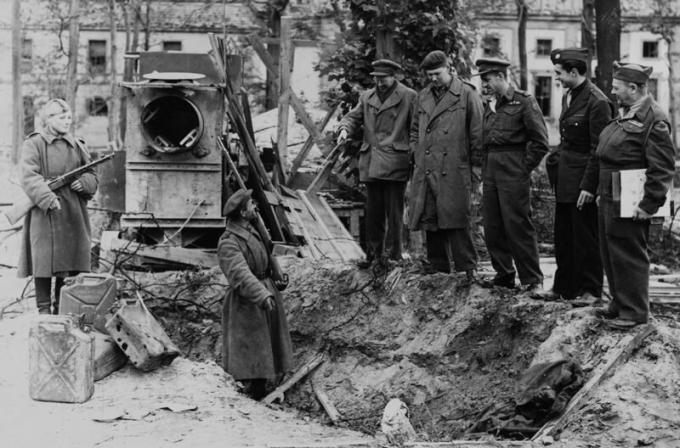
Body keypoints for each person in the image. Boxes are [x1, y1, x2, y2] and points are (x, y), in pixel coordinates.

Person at [593, 62, 675, 330]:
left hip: (631, 197)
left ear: (634, 87)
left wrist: (649, 204)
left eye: (617, 88)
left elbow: (662, 167)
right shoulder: (627, 112)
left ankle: (635, 311)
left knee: (629, 253)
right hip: (610, 193)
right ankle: (619, 304)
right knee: (610, 251)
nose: (613, 92)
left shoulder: (654, 118)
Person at [535, 48, 615, 304]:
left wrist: (589, 187)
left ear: (573, 71)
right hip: (566, 179)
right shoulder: (569, 95)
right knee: (564, 234)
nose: (556, 78)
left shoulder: (597, 102)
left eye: (559, 73)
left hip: (583, 181)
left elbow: (598, 149)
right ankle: (564, 287)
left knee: (585, 237)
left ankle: (590, 290)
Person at [475, 57, 549, 293]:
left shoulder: (523, 101)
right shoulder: (489, 105)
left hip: (513, 169)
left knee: (517, 224)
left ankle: (532, 279)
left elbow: (540, 142)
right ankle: (504, 274)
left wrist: (522, 168)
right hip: (491, 171)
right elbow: (485, 144)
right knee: (493, 225)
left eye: (487, 80)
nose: (484, 85)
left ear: (500, 77)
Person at [17, 99, 98, 314]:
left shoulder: (77, 144)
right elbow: (28, 176)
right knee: (42, 262)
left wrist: (86, 183)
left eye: (69, 117)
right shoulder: (34, 143)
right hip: (44, 209)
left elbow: (91, 172)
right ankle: (44, 310)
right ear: (48, 119)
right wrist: (46, 196)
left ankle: (63, 308)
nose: (67, 121)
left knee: (70, 259)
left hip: (72, 209)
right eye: (62, 117)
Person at [408, 50, 484, 279]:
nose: (433, 78)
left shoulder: (466, 94)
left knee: (457, 218)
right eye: (430, 75)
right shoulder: (423, 96)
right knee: (430, 218)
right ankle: (438, 265)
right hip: (428, 165)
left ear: (449, 68)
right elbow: (414, 129)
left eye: (437, 73)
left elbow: (477, 133)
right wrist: (416, 151)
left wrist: (476, 169)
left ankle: (466, 268)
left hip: (454, 166)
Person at [337, 59, 417, 268]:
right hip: (372, 161)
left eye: (384, 78)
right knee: (373, 212)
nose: (379, 82)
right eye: (376, 78)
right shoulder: (367, 97)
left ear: (394, 76)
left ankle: (392, 256)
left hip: (395, 161)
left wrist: (414, 153)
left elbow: (416, 128)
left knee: (394, 212)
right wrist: (345, 129)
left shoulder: (409, 96)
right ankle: (373, 255)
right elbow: (353, 118)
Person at [217, 189, 293, 398]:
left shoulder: (253, 229)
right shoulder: (228, 242)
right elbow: (239, 273)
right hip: (247, 301)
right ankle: (250, 392)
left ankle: (262, 388)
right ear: (242, 212)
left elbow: (267, 253)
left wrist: (277, 276)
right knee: (251, 349)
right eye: (251, 204)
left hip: (265, 288)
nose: (255, 207)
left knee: (266, 345)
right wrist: (261, 294)